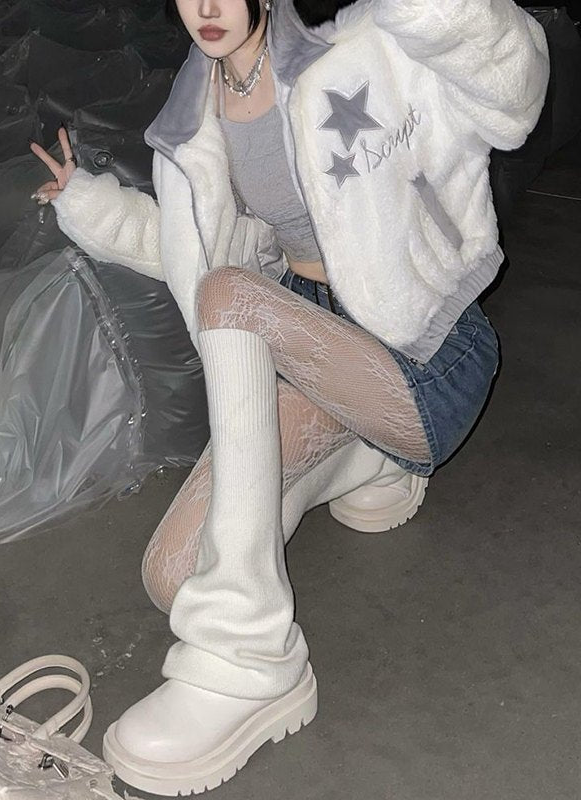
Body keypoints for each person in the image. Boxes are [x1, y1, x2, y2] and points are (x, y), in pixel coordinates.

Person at [29, 0, 549, 793]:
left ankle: (250, 661)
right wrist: (85, 201)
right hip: (322, 352)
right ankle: (374, 462)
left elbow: (513, 94)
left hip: (426, 351)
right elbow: (194, 250)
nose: (206, 7)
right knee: (174, 573)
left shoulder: (362, 53)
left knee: (232, 297)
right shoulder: (195, 119)